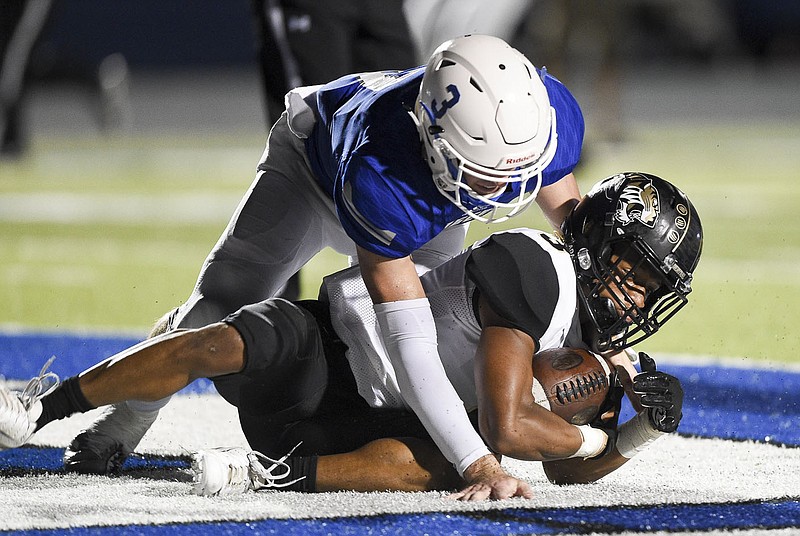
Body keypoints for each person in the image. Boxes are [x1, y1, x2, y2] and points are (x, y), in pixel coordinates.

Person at [61, 34, 587, 478]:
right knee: (220, 305)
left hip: (419, 195)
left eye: (518, 170)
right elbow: (411, 342)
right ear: (435, 142)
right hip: (313, 171)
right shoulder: (382, 173)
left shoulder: (543, 114)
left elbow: (572, 220)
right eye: (486, 175)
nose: (506, 191)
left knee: (440, 327)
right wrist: (475, 462)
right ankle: (124, 423)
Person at [0, 172, 702, 500]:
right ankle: (43, 408)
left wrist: (636, 435)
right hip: (327, 350)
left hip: (358, 438)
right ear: (594, 243)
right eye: (632, 272)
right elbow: (512, 425)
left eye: (651, 285)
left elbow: (568, 473)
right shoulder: (536, 267)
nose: (636, 297)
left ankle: (263, 477)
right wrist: (594, 433)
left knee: (443, 461)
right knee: (217, 341)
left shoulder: (603, 355)